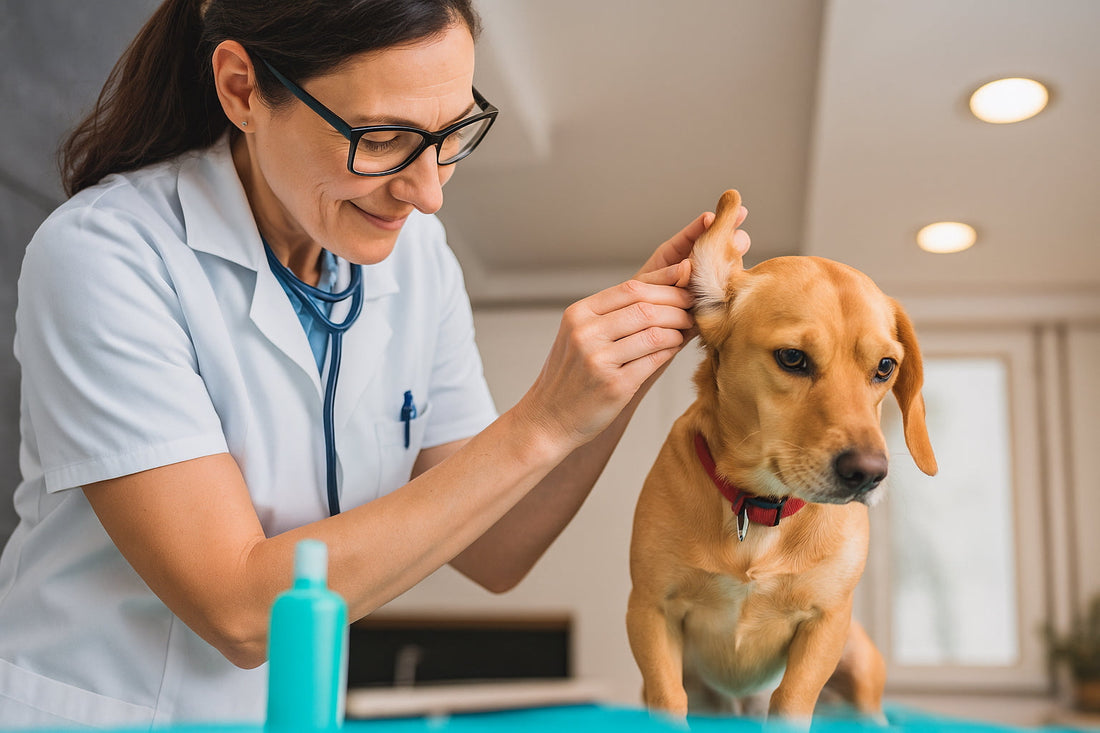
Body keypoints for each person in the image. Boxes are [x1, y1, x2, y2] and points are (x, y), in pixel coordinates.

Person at [0, 0, 750, 728]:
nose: (426, 194)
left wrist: (628, 363)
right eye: (383, 137)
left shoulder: (417, 262)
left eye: (451, 132)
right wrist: (542, 419)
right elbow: (239, 609)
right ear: (242, 89)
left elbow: (499, 545)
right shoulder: (107, 257)